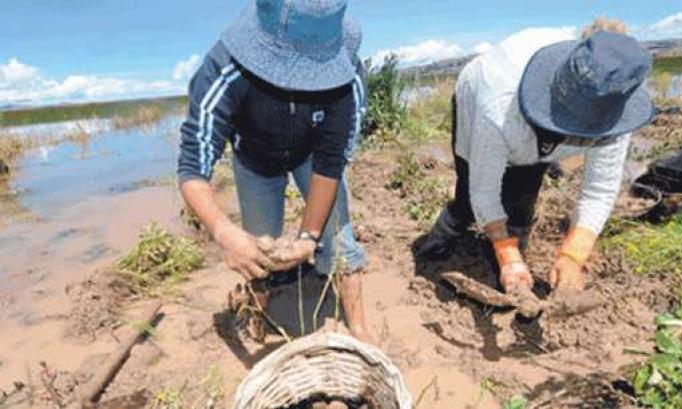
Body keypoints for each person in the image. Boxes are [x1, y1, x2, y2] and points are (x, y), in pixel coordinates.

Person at [177, 0, 372, 342]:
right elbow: (193, 165)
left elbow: (331, 159)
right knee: (257, 245)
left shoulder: (347, 74)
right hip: (255, 160)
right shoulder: (224, 69)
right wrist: (224, 233)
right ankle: (258, 310)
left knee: (338, 235)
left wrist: (309, 237)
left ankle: (360, 327)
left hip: (312, 153)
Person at [418, 20, 654, 300]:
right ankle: (445, 231)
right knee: (469, 193)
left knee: (523, 197)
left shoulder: (614, 105)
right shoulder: (497, 106)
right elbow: (483, 190)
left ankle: (515, 249)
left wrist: (573, 255)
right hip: (479, 101)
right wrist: (506, 255)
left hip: (523, 126)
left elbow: (600, 189)